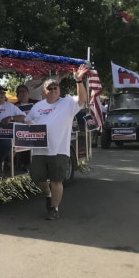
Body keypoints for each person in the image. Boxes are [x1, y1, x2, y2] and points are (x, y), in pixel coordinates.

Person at [24, 65, 89, 220]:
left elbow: (82, 99)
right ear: (43, 92)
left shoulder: (67, 103)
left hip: (59, 150)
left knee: (56, 181)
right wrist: (28, 125)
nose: (53, 90)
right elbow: (28, 121)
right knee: (38, 179)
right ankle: (47, 195)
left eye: (56, 88)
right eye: (50, 88)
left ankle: (54, 209)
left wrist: (78, 81)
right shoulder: (37, 106)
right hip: (40, 151)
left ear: (59, 90)